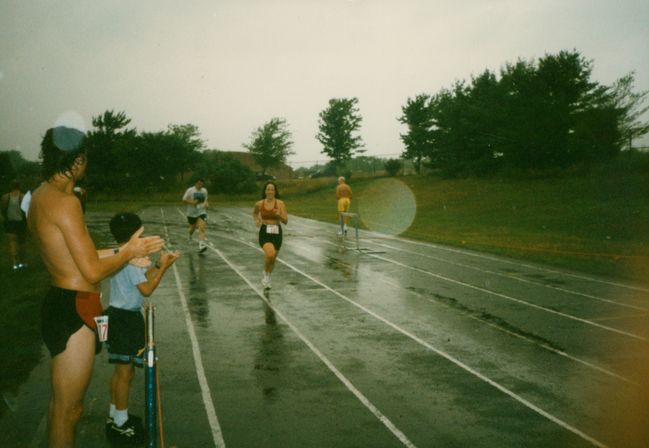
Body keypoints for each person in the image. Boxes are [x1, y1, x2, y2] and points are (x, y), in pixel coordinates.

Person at [27, 126, 164, 448]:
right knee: (69, 410)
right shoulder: (65, 201)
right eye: (84, 159)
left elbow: (77, 257)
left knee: (60, 406)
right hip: (74, 306)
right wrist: (130, 251)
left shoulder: (40, 196)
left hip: (63, 301)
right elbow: (90, 270)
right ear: (76, 160)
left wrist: (125, 252)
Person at [104, 212, 180, 444]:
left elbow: (144, 276)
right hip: (125, 319)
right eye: (142, 233)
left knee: (122, 371)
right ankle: (120, 422)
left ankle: (116, 413)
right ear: (136, 234)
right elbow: (146, 290)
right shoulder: (131, 258)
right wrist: (164, 268)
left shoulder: (121, 255)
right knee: (125, 372)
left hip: (116, 316)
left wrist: (158, 264)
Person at [252, 181, 288, 289]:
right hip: (265, 231)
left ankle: (267, 275)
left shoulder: (280, 203)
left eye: (272, 189)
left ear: (275, 191)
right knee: (270, 254)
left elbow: (286, 221)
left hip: (277, 231)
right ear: (265, 191)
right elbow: (254, 213)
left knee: (273, 258)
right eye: (268, 189)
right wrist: (257, 220)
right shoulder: (259, 204)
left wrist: (279, 215)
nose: (270, 191)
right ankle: (265, 274)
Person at [2, 180, 28, 270]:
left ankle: (15, 263)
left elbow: (2, 210)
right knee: (22, 243)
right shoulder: (23, 196)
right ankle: (22, 262)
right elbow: (26, 211)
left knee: (12, 243)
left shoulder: (5, 197)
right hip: (21, 223)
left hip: (9, 223)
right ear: (19, 186)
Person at [182, 178, 209, 253]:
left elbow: (205, 199)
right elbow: (184, 200)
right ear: (195, 183)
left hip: (201, 212)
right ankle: (190, 236)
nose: (200, 185)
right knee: (192, 229)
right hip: (191, 213)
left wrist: (206, 204)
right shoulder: (190, 190)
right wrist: (192, 202)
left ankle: (201, 245)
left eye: (201, 184)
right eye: (199, 184)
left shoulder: (204, 190)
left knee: (202, 228)